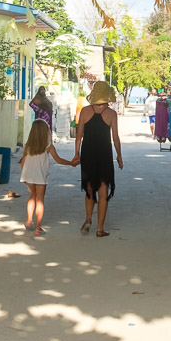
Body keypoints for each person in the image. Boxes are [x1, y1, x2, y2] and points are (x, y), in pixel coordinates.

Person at [72, 80, 123, 237]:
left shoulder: (85, 111)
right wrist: (119, 155)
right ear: (107, 97)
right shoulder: (111, 114)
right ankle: (100, 229)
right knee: (103, 190)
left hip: (88, 153)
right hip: (104, 155)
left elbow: (78, 136)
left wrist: (76, 153)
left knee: (89, 188)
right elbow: (115, 138)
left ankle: (88, 219)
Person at [19, 119, 75, 237]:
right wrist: (71, 163)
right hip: (40, 176)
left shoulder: (28, 145)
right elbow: (58, 160)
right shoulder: (48, 146)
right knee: (40, 200)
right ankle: (38, 229)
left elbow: (23, 161)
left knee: (32, 196)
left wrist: (23, 175)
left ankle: (29, 221)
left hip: (28, 175)